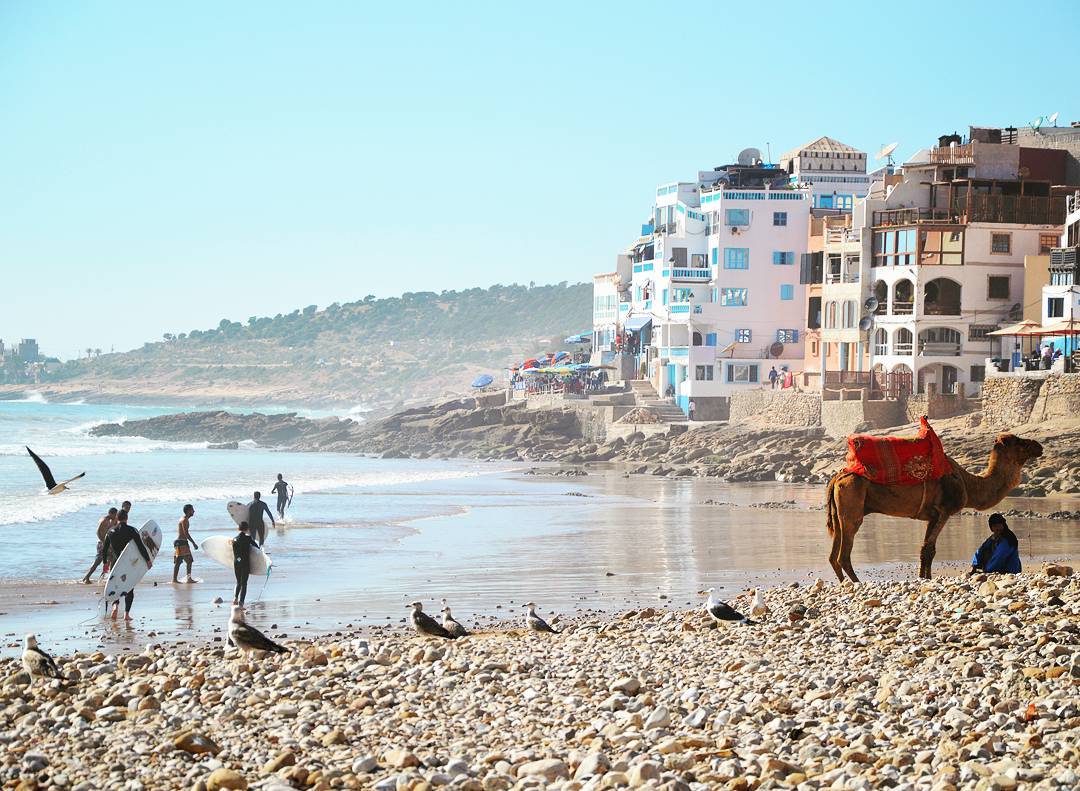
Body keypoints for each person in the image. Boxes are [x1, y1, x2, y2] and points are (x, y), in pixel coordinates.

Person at [105, 510, 152, 620]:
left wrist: (105, 563)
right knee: (129, 588)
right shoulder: (132, 530)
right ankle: (126, 614)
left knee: (115, 586)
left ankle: (115, 606)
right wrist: (148, 560)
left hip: (115, 563)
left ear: (117, 518)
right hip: (129, 564)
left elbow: (105, 549)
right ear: (127, 518)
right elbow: (140, 546)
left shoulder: (110, 531)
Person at [82, 507, 117, 583]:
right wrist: (103, 541)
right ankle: (86, 577)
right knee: (98, 561)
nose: (115, 516)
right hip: (102, 543)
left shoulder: (111, 520)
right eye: (114, 515)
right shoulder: (104, 520)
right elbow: (97, 532)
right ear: (110, 513)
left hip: (108, 544)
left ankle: (102, 577)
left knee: (110, 559)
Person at [231, 521, 260, 607]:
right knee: (244, 583)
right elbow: (256, 548)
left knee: (238, 582)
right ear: (247, 529)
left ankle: (235, 599)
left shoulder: (234, 539)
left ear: (238, 528)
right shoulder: (248, 539)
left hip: (236, 562)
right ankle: (241, 603)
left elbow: (235, 552)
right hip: (245, 563)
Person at [172, 504, 199, 583]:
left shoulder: (184, 519)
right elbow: (186, 533)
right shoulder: (184, 520)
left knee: (187, 561)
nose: (194, 511)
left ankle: (187, 579)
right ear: (188, 511)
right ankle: (176, 579)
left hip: (181, 542)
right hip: (181, 543)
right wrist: (194, 543)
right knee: (180, 561)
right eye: (192, 510)